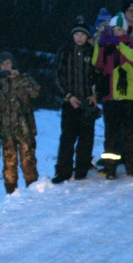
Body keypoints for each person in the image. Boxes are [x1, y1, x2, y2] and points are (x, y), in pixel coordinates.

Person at [92, 14, 133, 179]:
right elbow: (96, 64)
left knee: (131, 132)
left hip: (130, 95)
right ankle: (111, 167)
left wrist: (119, 44)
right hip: (111, 96)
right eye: (114, 29)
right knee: (111, 133)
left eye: (120, 29)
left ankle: (132, 165)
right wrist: (99, 46)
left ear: (125, 30)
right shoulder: (106, 47)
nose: (117, 32)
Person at [52, 16, 97, 184]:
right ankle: (63, 171)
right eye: (77, 34)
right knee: (67, 138)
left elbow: (99, 76)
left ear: (87, 36)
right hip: (69, 102)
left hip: (87, 102)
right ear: (72, 35)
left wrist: (95, 94)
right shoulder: (64, 52)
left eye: (83, 34)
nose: (79, 37)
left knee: (86, 138)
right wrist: (68, 96)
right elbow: (57, 77)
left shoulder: (92, 52)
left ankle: (81, 170)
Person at [0, 52, 40, 194]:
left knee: (28, 160)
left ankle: (33, 190)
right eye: (2, 64)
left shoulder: (23, 78)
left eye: (8, 63)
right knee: (9, 163)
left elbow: (36, 92)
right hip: (7, 130)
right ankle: (11, 194)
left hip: (24, 128)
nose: (6, 66)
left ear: (13, 64)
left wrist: (20, 77)